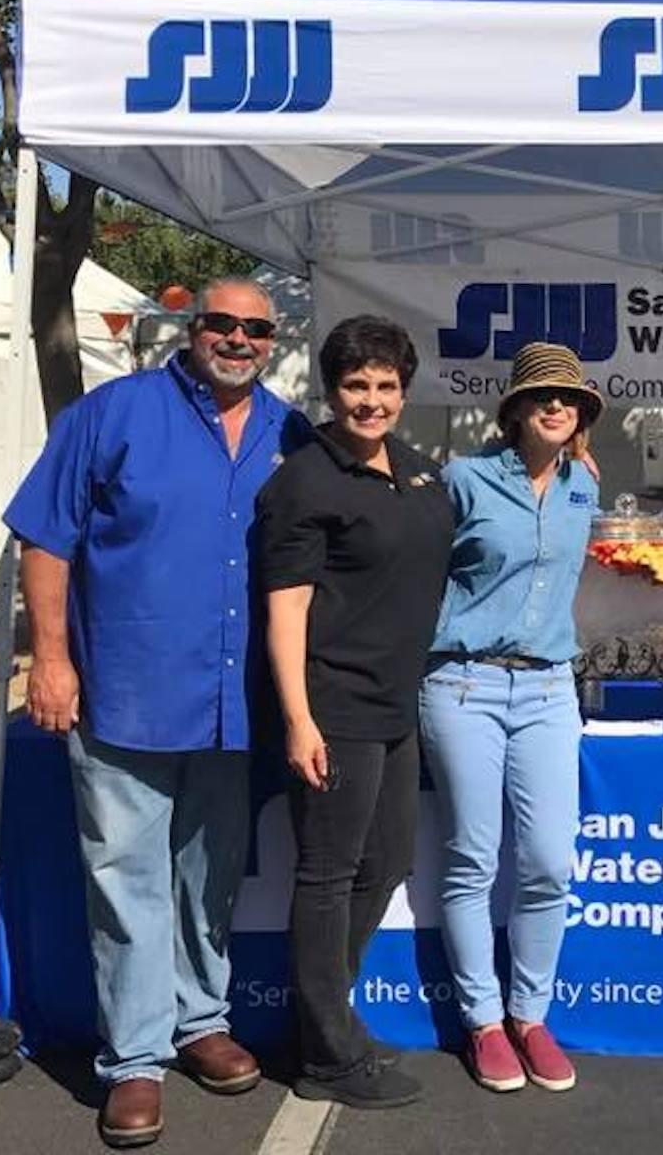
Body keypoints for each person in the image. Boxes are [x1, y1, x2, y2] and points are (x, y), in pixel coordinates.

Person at [6, 277, 308, 1149]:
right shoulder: (114, 413)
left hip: (231, 704)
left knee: (208, 879)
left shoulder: (290, 430)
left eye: (257, 328)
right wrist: (52, 659)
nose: (240, 339)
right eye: (224, 323)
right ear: (193, 327)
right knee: (127, 883)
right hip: (126, 695)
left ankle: (201, 1021)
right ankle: (135, 1062)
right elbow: (45, 537)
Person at [256, 316, 456, 1109]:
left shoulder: (417, 471)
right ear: (331, 391)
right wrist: (299, 719)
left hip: (396, 705)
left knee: (388, 864)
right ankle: (328, 1057)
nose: (371, 401)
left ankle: (325, 1017)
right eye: (355, 386)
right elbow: (286, 610)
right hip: (333, 705)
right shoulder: (305, 481)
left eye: (385, 387)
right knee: (330, 875)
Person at [421, 343, 614, 1095]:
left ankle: (531, 1015)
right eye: (543, 398)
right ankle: (484, 1021)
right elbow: (419, 568)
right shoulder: (464, 479)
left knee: (548, 862)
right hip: (463, 684)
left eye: (569, 399)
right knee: (473, 857)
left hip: (547, 691)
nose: (557, 407)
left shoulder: (582, 489)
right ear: (515, 410)